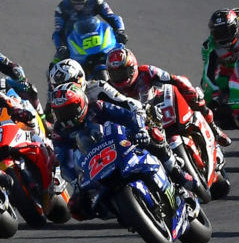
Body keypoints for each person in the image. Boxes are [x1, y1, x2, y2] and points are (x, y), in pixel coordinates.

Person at [45, 85, 170, 220]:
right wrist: (76, 182)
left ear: (80, 104)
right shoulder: (59, 131)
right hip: (95, 164)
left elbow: (128, 116)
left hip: (122, 144)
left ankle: (177, 173)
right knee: (77, 208)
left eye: (68, 110)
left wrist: (140, 130)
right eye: (60, 113)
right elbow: (65, 161)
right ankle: (119, 210)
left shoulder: (97, 107)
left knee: (155, 137)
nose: (65, 116)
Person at [105, 47, 225, 152]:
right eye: (116, 74)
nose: (121, 77)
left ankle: (215, 130)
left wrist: (190, 91)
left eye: (123, 72)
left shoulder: (147, 71)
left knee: (195, 98)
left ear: (133, 68)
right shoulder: (107, 88)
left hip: (158, 107)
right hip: (138, 122)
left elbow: (174, 79)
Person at [51, 0, 126, 60]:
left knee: (123, 54)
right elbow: (58, 32)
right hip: (73, 43)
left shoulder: (97, 1)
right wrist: (61, 47)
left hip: (96, 37)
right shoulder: (62, 8)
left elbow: (113, 17)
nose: (78, 0)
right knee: (56, 64)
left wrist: (120, 31)